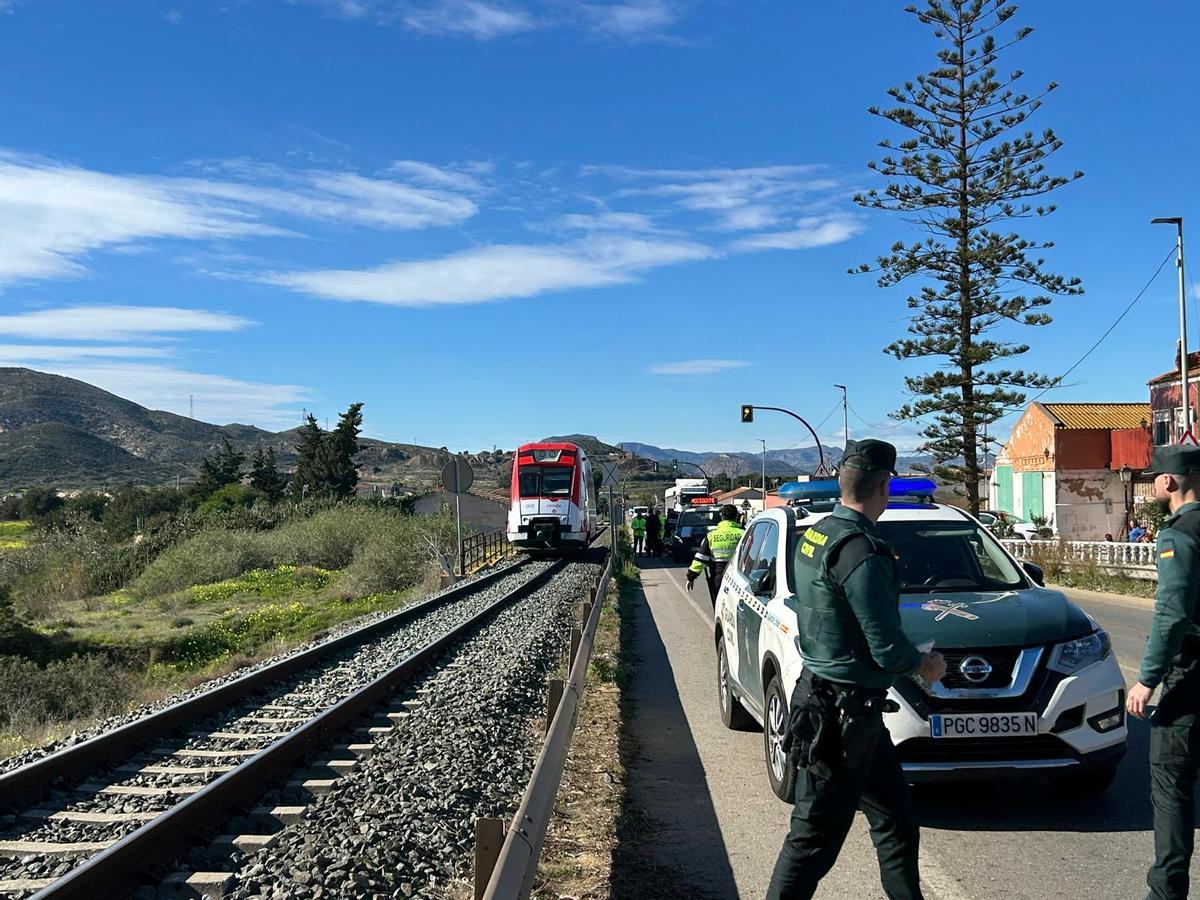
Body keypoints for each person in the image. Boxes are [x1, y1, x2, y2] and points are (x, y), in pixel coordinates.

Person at [767, 439, 946, 900]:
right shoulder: (863, 550)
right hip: (841, 718)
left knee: (896, 821)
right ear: (884, 487)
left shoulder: (819, 532)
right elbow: (885, 646)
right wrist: (925, 665)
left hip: (843, 707)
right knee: (811, 842)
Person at [1127, 444, 1200, 900]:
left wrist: (1147, 678)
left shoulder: (1180, 534)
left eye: (1154, 476)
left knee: (1171, 785)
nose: (1153, 482)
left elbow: (1171, 614)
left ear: (1169, 482)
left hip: (1191, 677)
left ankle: (1165, 893)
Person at [686, 504, 744, 603]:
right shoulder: (743, 533)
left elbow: (700, 558)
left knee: (719, 605)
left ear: (721, 516)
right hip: (739, 578)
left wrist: (691, 577)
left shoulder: (712, 535)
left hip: (718, 576)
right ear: (736, 516)